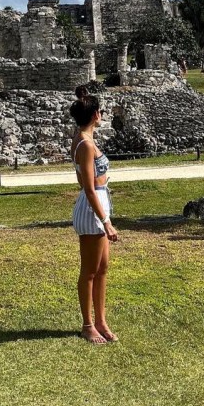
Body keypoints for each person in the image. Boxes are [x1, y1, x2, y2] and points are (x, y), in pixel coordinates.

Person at [70, 89, 120, 345]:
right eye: (99, 111)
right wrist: (107, 222)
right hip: (92, 207)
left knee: (102, 269)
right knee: (89, 271)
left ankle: (100, 320)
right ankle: (88, 325)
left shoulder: (82, 137)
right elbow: (89, 187)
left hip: (98, 203)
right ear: (95, 115)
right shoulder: (86, 144)